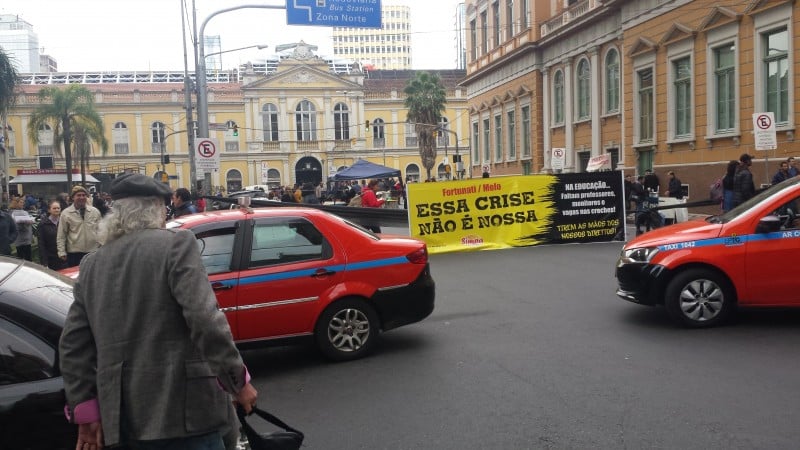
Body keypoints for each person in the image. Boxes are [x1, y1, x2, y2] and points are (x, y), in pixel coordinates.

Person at [59, 173, 258, 450]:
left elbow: (73, 347)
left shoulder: (92, 265)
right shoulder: (177, 244)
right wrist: (237, 381)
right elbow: (205, 320)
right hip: (186, 414)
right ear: (156, 209)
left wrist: (86, 411)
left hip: (123, 419)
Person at [57, 185, 102, 268]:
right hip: (75, 253)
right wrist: (61, 251)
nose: (82, 197)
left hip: (93, 252)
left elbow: (101, 231)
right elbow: (61, 234)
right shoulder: (66, 213)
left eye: (84, 195)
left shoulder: (95, 212)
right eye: (78, 195)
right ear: (73, 197)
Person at [38, 200, 67, 271]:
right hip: (51, 258)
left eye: (58, 208)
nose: (57, 210)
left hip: (65, 257)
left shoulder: (65, 222)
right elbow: (41, 244)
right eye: (54, 208)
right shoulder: (43, 224)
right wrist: (44, 262)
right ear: (49, 210)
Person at [10, 197, 33, 261]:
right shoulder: (21, 213)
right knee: (27, 258)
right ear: (16, 203)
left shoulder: (12, 213)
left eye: (23, 202)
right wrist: (28, 222)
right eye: (21, 202)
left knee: (21, 257)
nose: (23, 204)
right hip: (23, 238)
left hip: (20, 239)